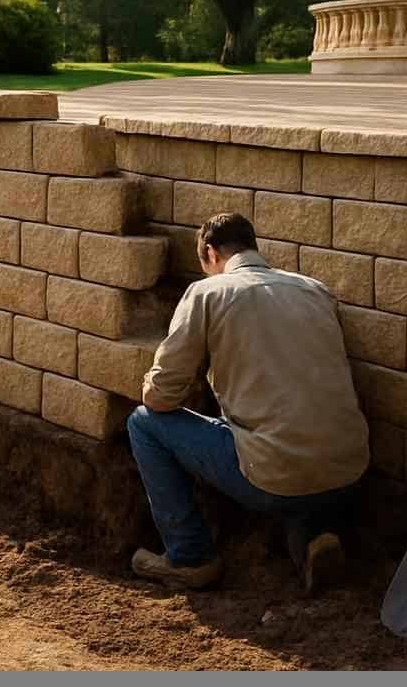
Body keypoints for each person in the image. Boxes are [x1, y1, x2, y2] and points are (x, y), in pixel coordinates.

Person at [127, 212, 370, 591]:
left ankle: (190, 557)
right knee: (281, 449)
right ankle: (312, 542)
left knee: (143, 423)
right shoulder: (314, 289)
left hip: (273, 477)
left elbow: (160, 397)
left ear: (210, 253)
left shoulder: (208, 292)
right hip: (349, 470)